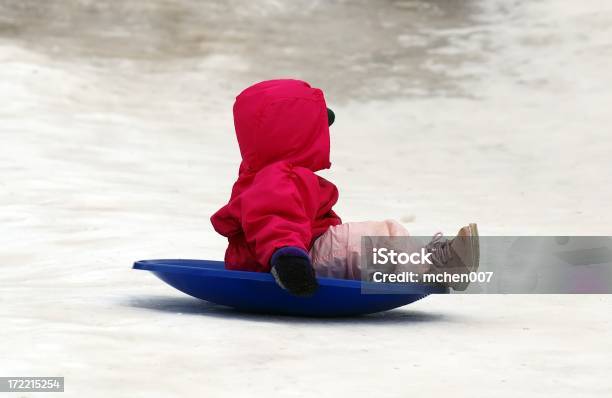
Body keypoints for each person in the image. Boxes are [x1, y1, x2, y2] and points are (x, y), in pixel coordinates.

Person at [211, 79, 479, 296]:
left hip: (296, 251)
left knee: (367, 243)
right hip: (294, 257)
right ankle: (433, 268)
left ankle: (420, 262)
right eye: (316, 125)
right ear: (295, 133)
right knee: (386, 235)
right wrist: (288, 257)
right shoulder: (278, 178)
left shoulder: (263, 173)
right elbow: (274, 219)